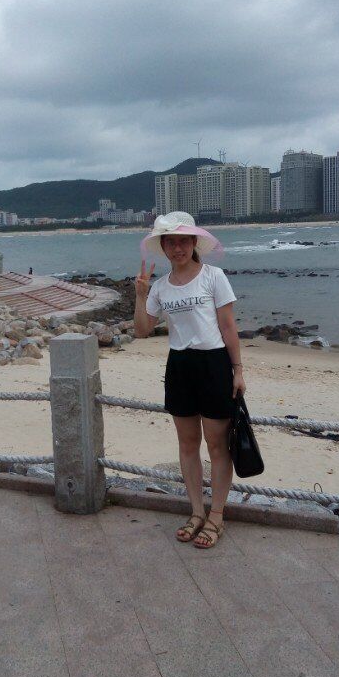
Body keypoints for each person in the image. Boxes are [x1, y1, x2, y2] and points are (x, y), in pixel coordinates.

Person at [134, 211, 246, 548]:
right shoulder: (160, 287)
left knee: (217, 444)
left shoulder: (213, 276)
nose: (178, 248)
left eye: (183, 241)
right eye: (171, 242)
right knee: (187, 444)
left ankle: (217, 516)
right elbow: (142, 330)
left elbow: (228, 326)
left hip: (214, 363)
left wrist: (238, 370)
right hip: (179, 366)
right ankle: (196, 511)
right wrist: (140, 295)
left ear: (194, 243)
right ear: (164, 247)